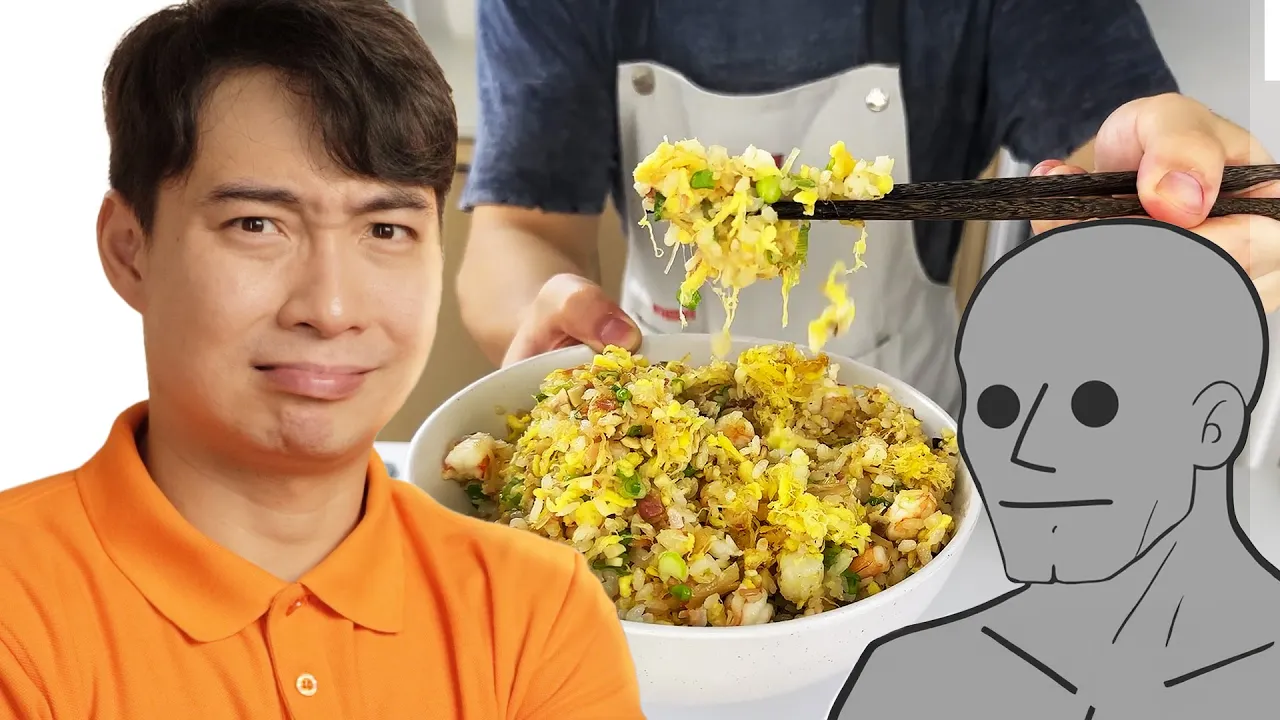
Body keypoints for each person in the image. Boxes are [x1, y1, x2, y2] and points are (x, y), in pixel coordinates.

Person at [0, 1, 645, 718]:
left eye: (386, 229)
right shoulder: (18, 614)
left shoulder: (539, 608)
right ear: (130, 250)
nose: (332, 308)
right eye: (257, 224)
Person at [456, 0, 1280, 418]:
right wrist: (552, 325)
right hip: (660, 405)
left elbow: (1109, 149)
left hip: (913, 435)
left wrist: (1164, 208)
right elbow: (518, 231)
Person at [829, 218, 1278, 719]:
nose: (1023, 452)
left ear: (1212, 428)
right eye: (998, 407)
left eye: (1093, 406)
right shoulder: (906, 680)